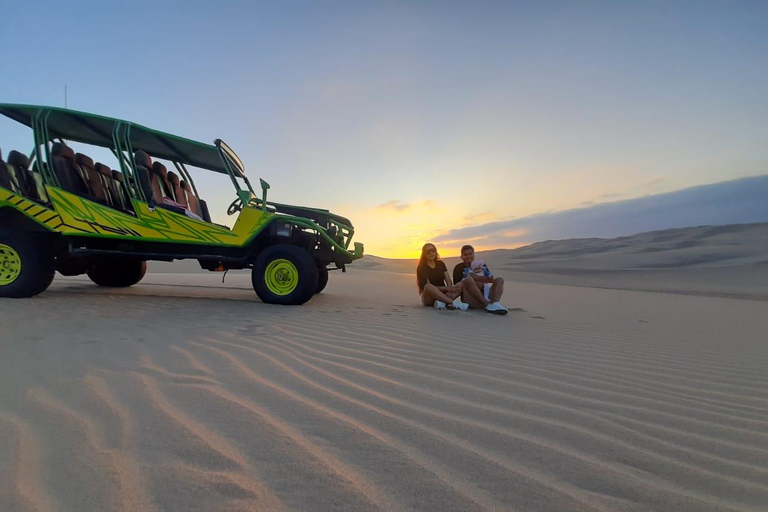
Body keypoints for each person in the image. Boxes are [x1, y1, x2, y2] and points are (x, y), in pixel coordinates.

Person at [417, 243, 486, 310]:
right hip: (429, 297)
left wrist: (449, 290)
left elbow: (448, 279)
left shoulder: (440, 263)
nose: (431, 253)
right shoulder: (422, 267)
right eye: (428, 252)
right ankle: (453, 303)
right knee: (428, 286)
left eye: (433, 250)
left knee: (460, 284)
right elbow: (428, 286)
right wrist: (446, 288)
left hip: (444, 293)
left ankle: (442, 303)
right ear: (424, 254)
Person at [452, 244, 508, 315]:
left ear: (474, 254)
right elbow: (458, 286)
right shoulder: (458, 268)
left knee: (500, 280)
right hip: (470, 298)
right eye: (465, 255)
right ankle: (487, 305)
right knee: (468, 280)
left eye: (470, 254)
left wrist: (475, 277)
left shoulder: (481, 265)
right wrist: (475, 279)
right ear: (461, 257)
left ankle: (495, 304)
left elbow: (491, 279)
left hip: (486, 295)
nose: (468, 256)